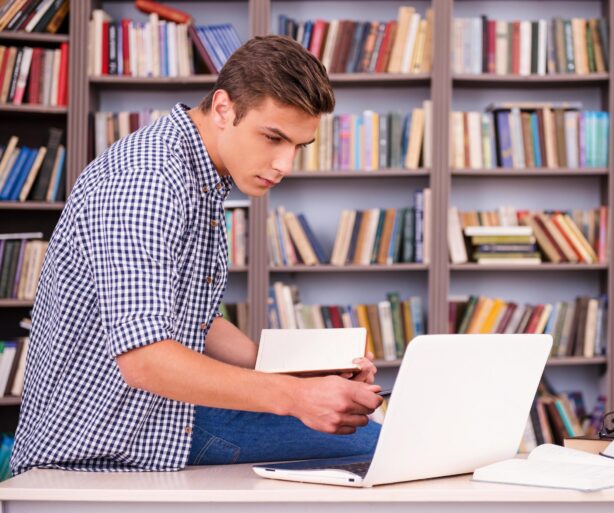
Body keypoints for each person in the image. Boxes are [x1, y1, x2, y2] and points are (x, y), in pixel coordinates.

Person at [11, 35, 383, 475]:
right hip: (108, 440)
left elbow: (194, 320)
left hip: (165, 415)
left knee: (371, 428)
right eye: (273, 137)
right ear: (224, 108)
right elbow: (146, 359)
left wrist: (305, 374)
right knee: (382, 443)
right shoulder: (147, 180)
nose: (285, 164)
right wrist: (296, 396)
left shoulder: (199, 171)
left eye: (298, 147)